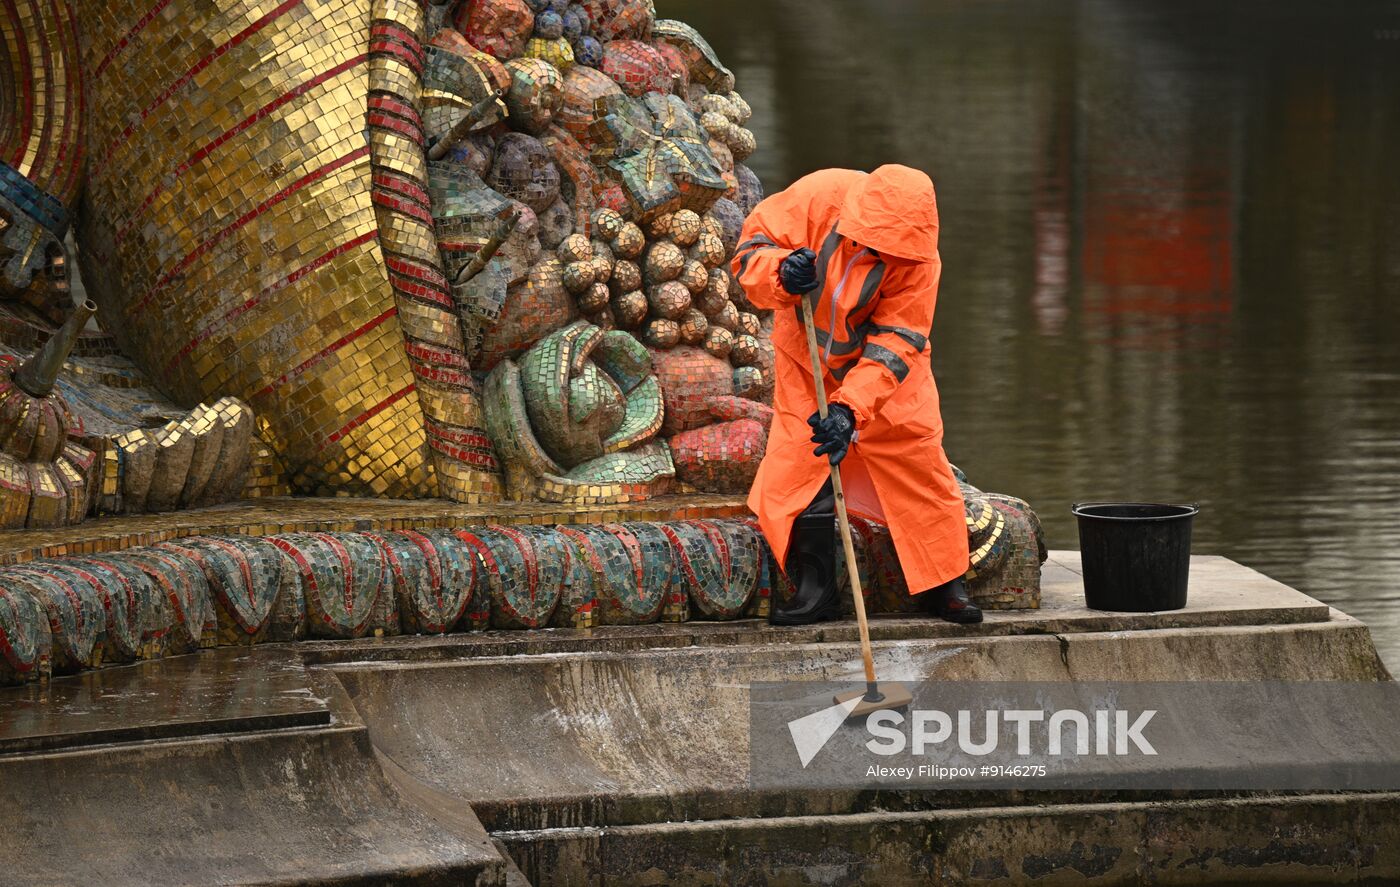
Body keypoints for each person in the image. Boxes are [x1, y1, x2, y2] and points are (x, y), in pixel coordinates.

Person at [732, 164, 979, 625]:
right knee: (801, 461)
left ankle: (944, 582)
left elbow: (899, 338)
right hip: (807, 359)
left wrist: (849, 410)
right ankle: (816, 588)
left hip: (887, 370)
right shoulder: (818, 195)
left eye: (894, 251)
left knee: (917, 454)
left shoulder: (922, 260)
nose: (884, 256)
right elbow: (749, 253)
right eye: (877, 247)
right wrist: (781, 270)